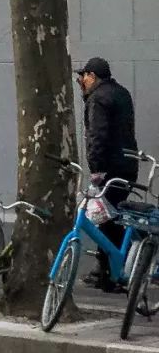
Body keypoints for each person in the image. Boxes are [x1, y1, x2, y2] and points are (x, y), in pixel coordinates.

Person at [77, 56, 137, 290]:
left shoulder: (98, 98)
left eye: (83, 77)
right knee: (110, 218)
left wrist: (96, 169)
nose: (82, 82)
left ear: (92, 76)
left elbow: (97, 136)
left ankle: (114, 272)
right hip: (127, 165)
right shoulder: (121, 93)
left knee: (106, 219)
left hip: (109, 168)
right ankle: (104, 270)